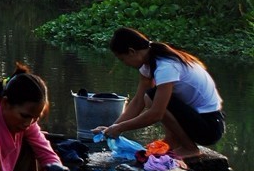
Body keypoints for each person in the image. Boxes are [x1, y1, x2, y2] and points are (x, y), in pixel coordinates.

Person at [93, 27, 225, 160]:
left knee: (151, 97)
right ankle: (172, 141)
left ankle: (189, 148)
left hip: (209, 127)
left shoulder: (166, 66)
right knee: (149, 96)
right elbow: (138, 102)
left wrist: (120, 128)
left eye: (122, 59)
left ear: (131, 52)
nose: (124, 63)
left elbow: (156, 114)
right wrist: (111, 129)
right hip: (195, 119)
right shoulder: (148, 64)